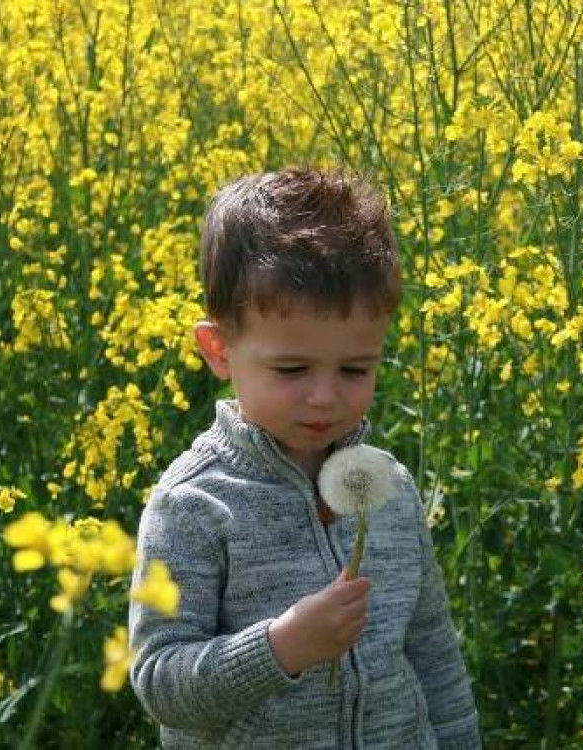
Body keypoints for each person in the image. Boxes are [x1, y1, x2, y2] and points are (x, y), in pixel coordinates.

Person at [128, 166, 481, 749]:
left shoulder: (387, 484)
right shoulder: (193, 504)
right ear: (219, 350)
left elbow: (434, 653)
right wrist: (281, 646)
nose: (325, 395)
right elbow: (159, 680)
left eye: (355, 369)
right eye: (291, 370)